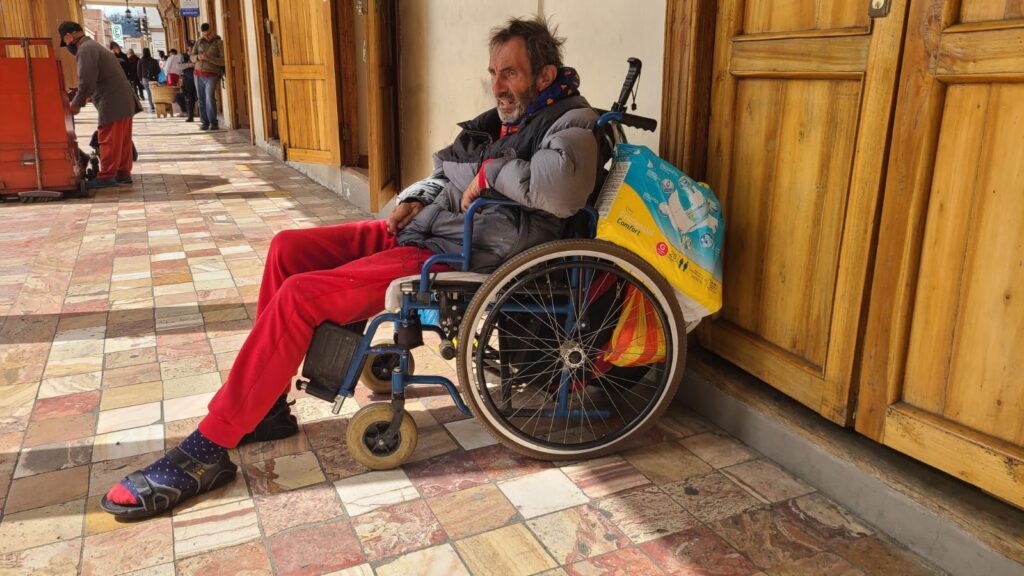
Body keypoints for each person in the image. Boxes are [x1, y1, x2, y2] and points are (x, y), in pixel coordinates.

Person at [100, 16, 600, 519]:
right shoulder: (505, 120)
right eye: (493, 72)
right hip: (431, 228)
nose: (497, 85)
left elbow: (558, 191)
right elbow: (447, 173)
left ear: (545, 75)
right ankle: (267, 408)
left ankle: (209, 448)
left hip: (463, 252)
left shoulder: (571, 122)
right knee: (288, 249)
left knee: (301, 296)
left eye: (509, 73)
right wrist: (415, 197)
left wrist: (491, 171)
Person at [60, 21, 142, 188]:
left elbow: (87, 80)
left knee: (109, 139)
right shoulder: (94, 46)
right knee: (122, 141)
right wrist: (81, 94)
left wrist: (77, 103)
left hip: (112, 101)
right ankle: (122, 173)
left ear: (69, 36)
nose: (67, 45)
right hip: (123, 100)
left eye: (65, 41)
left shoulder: (85, 49)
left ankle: (107, 176)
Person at [190, 23, 224, 130]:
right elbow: (191, 57)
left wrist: (209, 58)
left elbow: (223, 61)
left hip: (211, 74)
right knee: (201, 99)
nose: (206, 36)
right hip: (198, 74)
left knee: (209, 98)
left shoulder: (219, 43)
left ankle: (213, 123)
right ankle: (204, 123)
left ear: (212, 31)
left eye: (208, 34)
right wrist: (198, 57)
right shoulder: (199, 42)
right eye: (204, 35)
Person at [174, 43, 197, 121]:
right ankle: (190, 116)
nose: (192, 49)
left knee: (201, 97)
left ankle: (204, 117)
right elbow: (178, 66)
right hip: (188, 79)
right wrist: (188, 65)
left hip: (199, 78)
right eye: (191, 47)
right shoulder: (183, 56)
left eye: (193, 47)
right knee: (190, 98)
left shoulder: (198, 55)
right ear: (188, 48)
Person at [137, 48, 160, 113]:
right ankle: (157, 104)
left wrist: (140, 79)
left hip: (145, 78)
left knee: (149, 92)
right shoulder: (154, 61)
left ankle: (152, 106)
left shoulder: (140, 61)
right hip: (153, 78)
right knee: (155, 92)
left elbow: (138, 71)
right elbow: (158, 70)